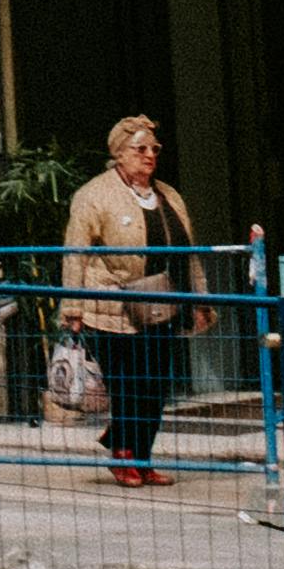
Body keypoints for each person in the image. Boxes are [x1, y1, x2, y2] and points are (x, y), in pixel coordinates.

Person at [63, 110, 197, 483]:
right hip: (112, 308)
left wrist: (199, 302)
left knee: (155, 385)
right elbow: (75, 252)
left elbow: (188, 251)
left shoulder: (169, 196)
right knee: (128, 384)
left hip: (160, 304)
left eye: (154, 148)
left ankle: (142, 455)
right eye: (140, 149)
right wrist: (72, 307)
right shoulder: (93, 196)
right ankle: (124, 456)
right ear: (120, 153)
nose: (150, 155)